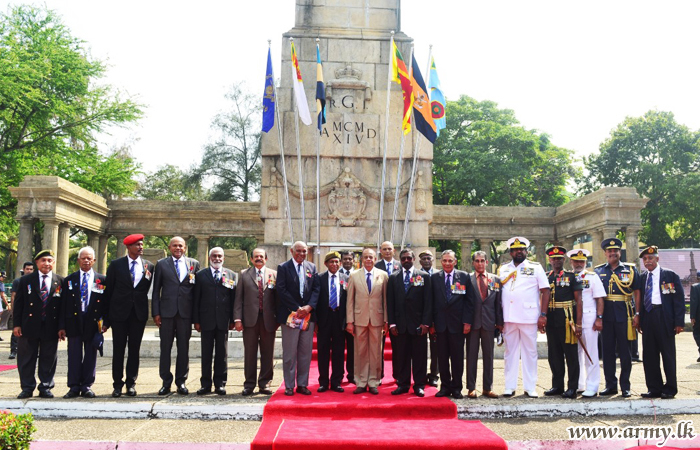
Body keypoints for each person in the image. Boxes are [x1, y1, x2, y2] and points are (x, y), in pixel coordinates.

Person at [103, 234, 155, 398]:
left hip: (138, 314)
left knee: (134, 350)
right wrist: (106, 318)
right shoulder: (116, 265)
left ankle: (131, 383)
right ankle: (117, 384)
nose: (141, 247)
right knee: (118, 350)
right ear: (128, 247)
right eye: (137, 245)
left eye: (141, 244)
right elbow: (108, 291)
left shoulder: (149, 266)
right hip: (119, 314)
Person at [498, 237, 550, 398]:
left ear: (526, 251)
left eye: (521, 249)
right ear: (511, 252)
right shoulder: (503, 269)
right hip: (509, 316)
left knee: (530, 352)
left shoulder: (535, 267)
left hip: (529, 316)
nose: (518, 252)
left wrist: (543, 314)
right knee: (510, 352)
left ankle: (530, 387)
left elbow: (545, 290)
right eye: (515, 249)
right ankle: (509, 386)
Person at [152, 236, 200, 396]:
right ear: (170, 247)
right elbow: (156, 290)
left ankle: (181, 381)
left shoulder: (194, 264)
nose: (178, 248)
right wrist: (156, 312)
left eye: (180, 246)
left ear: (185, 248)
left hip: (185, 314)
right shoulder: (161, 264)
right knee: (165, 348)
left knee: (183, 349)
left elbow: (197, 292)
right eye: (174, 246)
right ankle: (166, 382)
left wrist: (196, 317)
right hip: (166, 313)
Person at [13, 249, 63, 399]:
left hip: (51, 326)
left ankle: (45, 386)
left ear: (53, 263)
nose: (46, 264)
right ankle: (27, 387)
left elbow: (62, 307)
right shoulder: (26, 280)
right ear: (37, 263)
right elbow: (19, 304)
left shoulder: (60, 281)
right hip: (29, 325)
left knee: (49, 358)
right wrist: (16, 324)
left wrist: (62, 327)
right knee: (26, 358)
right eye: (43, 261)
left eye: (49, 261)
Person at [637, 246, 685, 399]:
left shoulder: (670, 275)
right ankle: (654, 388)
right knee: (649, 355)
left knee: (668, 354)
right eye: (645, 259)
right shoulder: (642, 277)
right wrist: (640, 319)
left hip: (664, 318)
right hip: (648, 317)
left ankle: (670, 388)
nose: (647, 261)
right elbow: (640, 300)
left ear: (657, 259)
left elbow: (678, 301)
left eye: (650, 258)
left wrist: (679, 322)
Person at [594, 237, 640, 398]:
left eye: (615, 250)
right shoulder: (598, 271)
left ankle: (625, 386)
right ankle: (610, 385)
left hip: (624, 316)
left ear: (620, 252)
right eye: (609, 251)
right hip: (605, 316)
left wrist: (638, 314)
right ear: (605, 253)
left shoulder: (631, 269)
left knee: (625, 352)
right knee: (607, 352)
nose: (612, 253)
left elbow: (637, 292)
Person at [58, 246, 105, 398]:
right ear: (78, 260)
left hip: (93, 322)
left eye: (89, 258)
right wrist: (62, 326)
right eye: (83, 258)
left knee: (91, 354)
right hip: (74, 322)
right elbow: (63, 304)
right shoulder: (69, 280)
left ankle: (86, 385)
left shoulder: (101, 280)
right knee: (74, 354)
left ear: (94, 260)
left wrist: (105, 323)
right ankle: (73, 386)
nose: (86, 260)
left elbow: (106, 303)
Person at [276, 241, 319, 396]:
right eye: (298, 251)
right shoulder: (283, 267)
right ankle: (289, 385)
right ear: (291, 251)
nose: (301, 254)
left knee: (305, 353)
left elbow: (316, 289)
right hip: (290, 316)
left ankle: (302, 384)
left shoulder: (312, 267)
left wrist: (309, 307)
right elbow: (281, 289)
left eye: (304, 251)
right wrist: (296, 308)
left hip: (308, 316)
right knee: (289, 353)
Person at [387, 248, 432, 397]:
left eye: (409, 258)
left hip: (418, 325)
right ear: (400, 260)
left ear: (413, 259)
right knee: (402, 357)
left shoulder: (424, 276)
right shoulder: (393, 278)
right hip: (400, 326)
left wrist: (426, 323)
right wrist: (392, 323)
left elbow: (428, 302)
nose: (406, 260)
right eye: (403, 258)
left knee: (419, 357)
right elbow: (390, 302)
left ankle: (419, 385)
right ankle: (403, 384)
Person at [234, 248, 278, 396]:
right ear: (251, 260)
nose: (259, 259)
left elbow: (278, 299)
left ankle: (265, 383)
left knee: (268, 353)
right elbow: (238, 298)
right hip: (249, 321)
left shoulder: (274, 274)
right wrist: (238, 319)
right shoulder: (244, 274)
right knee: (250, 353)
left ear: (266, 259)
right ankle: (249, 384)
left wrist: (278, 319)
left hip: (268, 321)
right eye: (256, 257)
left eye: (261, 256)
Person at [431, 249, 474, 399]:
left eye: (450, 260)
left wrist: (467, 322)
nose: (447, 263)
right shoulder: (434, 277)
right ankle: (445, 386)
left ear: (455, 262)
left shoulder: (464, 277)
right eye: (444, 261)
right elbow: (431, 303)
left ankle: (456, 387)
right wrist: (431, 323)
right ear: (441, 262)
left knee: (457, 358)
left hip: (458, 325)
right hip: (440, 325)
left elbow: (470, 302)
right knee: (442, 358)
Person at [193, 247, 236, 395]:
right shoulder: (200, 275)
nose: (217, 258)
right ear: (210, 257)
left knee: (221, 353)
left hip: (223, 320)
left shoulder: (231, 275)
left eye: (220, 256)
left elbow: (233, 300)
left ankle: (220, 383)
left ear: (223, 258)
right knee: (206, 353)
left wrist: (232, 319)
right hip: (206, 320)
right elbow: (196, 299)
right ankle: (205, 384)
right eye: (214, 256)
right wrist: (196, 320)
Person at [346, 247, 388, 395]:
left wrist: (386, 320)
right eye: (366, 257)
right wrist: (349, 321)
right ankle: (361, 381)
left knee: (376, 352)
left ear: (375, 259)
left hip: (377, 318)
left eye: (371, 257)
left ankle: (373, 381)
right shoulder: (354, 276)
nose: (368, 260)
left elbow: (385, 300)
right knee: (360, 351)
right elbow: (350, 300)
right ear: (361, 259)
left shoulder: (383, 275)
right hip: (359, 319)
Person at [544, 246, 582, 399]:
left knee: (571, 355)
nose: (556, 261)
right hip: (552, 320)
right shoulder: (546, 277)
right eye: (553, 258)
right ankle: (557, 385)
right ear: (549, 260)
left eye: (559, 258)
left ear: (564, 259)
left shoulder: (572, 276)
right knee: (554, 355)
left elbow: (579, 300)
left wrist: (578, 324)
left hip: (567, 320)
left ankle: (572, 387)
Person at [567, 249, 605, 398]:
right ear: (571, 262)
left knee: (590, 352)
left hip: (589, 317)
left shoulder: (592, 277)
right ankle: (580, 384)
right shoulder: (567, 277)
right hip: (571, 318)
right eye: (576, 261)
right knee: (575, 353)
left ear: (585, 262)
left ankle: (592, 385)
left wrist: (599, 317)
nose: (579, 264)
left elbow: (600, 298)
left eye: (582, 261)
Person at [466, 250, 502, 399]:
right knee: (471, 356)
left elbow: (498, 303)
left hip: (489, 323)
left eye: (482, 261)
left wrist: (500, 323)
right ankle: (471, 387)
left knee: (489, 356)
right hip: (472, 324)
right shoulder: (467, 279)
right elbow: (465, 303)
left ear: (487, 263)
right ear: (473, 263)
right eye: (477, 261)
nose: (480, 263)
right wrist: (465, 322)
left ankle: (487, 388)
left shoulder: (496, 280)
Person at [315, 251, 349, 393]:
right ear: (326, 264)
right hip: (324, 318)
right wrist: (315, 321)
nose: (334, 264)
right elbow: (315, 300)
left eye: (337, 262)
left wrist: (348, 321)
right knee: (322, 351)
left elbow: (349, 301)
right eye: (331, 262)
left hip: (339, 319)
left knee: (339, 351)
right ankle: (323, 381)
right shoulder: (319, 278)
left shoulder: (346, 278)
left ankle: (336, 381)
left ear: (340, 264)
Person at [419, 249, 439, 388]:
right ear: (419, 261)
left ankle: (433, 375)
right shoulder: (416, 275)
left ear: (433, 260)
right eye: (424, 258)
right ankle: (420, 375)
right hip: (420, 318)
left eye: (429, 258)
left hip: (437, 318)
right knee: (420, 349)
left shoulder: (439, 274)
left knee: (436, 349)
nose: (426, 260)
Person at [9, 262, 34, 360]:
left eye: (31, 269)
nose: (29, 271)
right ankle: (13, 351)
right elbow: (13, 296)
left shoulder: (35, 281)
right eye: (27, 269)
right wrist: (13, 309)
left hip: (31, 311)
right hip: (20, 310)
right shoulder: (18, 281)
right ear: (23, 270)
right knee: (15, 331)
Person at [339, 250, 355, 384]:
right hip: (338, 318)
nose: (348, 261)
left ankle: (352, 375)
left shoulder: (358, 275)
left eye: (350, 259)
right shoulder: (336, 275)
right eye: (345, 259)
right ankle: (338, 376)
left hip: (354, 318)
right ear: (341, 261)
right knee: (338, 349)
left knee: (353, 349)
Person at [691, 279, 700, 363]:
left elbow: (694, 302)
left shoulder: (695, 287)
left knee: (697, 334)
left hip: (698, 316)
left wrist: (692, 316)